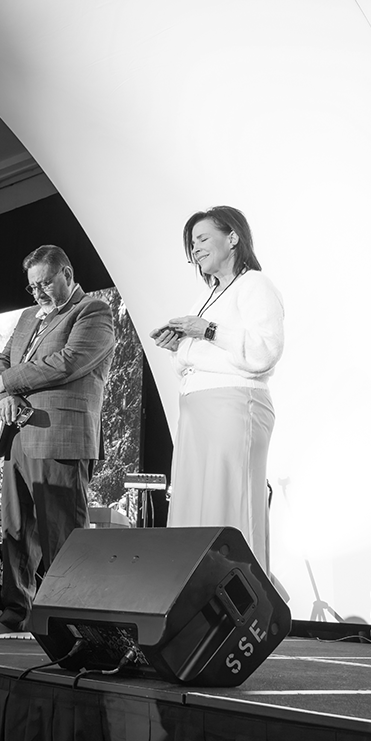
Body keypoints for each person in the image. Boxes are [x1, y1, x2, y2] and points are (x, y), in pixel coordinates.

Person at [0, 245, 117, 638]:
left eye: (45, 283)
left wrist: (7, 383)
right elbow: (3, 361)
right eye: (32, 286)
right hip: (18, 434)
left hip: (61, 434)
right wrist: (6, 394)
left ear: (66, 273)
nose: (37, 293)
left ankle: (73, 624)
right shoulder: (25, 317)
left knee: (63, 536)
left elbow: (68, 361)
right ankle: (15, 614)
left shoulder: (93, 311)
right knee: (15, 531)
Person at [151, 206, 284, 566]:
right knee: (195, 510)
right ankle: (198, 600)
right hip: (197, 412)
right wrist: (179, 345)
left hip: (235, 406)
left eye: (203, 239)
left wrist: (207, 330)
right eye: (192, 244)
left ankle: (247, 595)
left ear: (233, 238)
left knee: (230, 504)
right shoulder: (206, 297)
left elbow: (265, 350)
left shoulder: (255, 284)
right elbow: (197, 359)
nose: (195, 249)